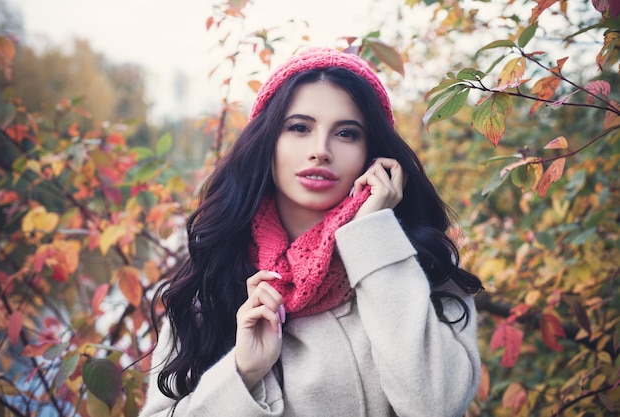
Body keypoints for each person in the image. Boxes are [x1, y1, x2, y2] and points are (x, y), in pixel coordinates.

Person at [139, 47, 484, 417]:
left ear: (373, 153)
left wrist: (373, 236)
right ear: (267, 141)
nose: (320, 150)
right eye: (299, 128)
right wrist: (243, 372)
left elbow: (436, 405)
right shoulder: (210, 282)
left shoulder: (418, 265)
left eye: (347, 133)